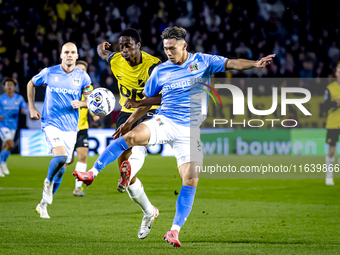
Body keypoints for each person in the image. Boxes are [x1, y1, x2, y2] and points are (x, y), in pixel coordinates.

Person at [74, 26, 274, 247]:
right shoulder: (160, 71)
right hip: (165, 121)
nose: (168, 52)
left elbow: (231, 63)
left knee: (191, 179)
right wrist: (130, 121)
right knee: (130, 138)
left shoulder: (203, 61)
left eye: (172, 48)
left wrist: (255, 64)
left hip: (189, 131)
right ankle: (91, 173)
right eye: (165, 48)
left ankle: (173, 231)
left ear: (184, 46)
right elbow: (147, 101)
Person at [73, 28, 162, 239]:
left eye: (128, 46)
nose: (124, 50)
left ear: (138, 46)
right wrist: (101, 47)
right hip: (125, 112)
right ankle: (149, 212)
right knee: (126, 172)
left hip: (149, 112)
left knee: (135, 148)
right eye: (121, 46)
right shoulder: (115, 59)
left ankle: (110, 170)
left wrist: (139, 107)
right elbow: (102, 52)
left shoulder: (154, 66)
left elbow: (162, 97)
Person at [27, 42, 92, 219]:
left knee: (62, 169)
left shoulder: (83, 77)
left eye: (73, 52)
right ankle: (47, 183)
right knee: (62, 157)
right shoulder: (49, 72)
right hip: (50, 124)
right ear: (61, 55)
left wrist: (83, 103)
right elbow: (31, 84)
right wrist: (32, 108)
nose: (69, 55)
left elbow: (90, 100)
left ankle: (43, 204)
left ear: (77, 56)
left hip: (71, 128)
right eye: (66, 52)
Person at [70, 60, 99, 197]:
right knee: (66, 160)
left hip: (82, 128)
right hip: (67, 128)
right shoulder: (67, 86)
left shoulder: (88, 89)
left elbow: (91, 104)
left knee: (82, 156)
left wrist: (94, 115)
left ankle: (78, 188)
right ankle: (50, 185)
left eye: (83, 71)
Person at [0, 78, 26, 177]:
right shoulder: (1, 98)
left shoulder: (19, 98)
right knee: (10, 144)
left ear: (14, 87)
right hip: (2, 125)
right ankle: (3, 163)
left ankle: (2, 164)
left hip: (13, 125)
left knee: (5, 146)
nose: (10, 87)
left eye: (11, 85)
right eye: (8, 85)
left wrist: (23, 111)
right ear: (4, 87)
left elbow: (23, 108)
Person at [323, 62, 340, 186]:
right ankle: (329, 175)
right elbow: (324, 107)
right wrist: (335, 102)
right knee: (332, 151)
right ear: (336, 73)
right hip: (333, 123)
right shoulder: (330, 88)